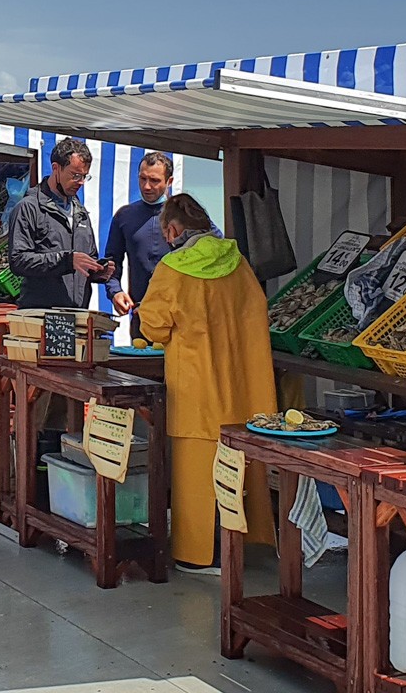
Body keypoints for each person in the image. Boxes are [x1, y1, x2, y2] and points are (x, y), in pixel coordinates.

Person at [133, 193, 277, 573]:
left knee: (196, 475)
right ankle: (243, 542)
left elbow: (153, 325)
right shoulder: (238, 261)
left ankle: (198, 554)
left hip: (195, 389)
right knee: (238, 465)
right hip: (245, 388)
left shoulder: (173, 267)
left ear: (175, 229)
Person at [7, 137, 112, 309]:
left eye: (85, 176)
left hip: (77, 314)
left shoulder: (80, 211)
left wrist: (98, 271)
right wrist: (65, 261)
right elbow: (18, 260)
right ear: (56, 168)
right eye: (75, 175)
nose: (81, 182)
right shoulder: (29, 207)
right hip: (42, 316)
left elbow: (88, 257)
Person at [101, 152, 180, 315]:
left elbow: (213, 248)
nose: (147, 186)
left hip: (180, 314)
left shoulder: (185, 215)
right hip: (141, 313)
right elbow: (111, 263)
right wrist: (115, 292)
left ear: (169, 182)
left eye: (155, 180)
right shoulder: (124, 216)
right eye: (142, 179)